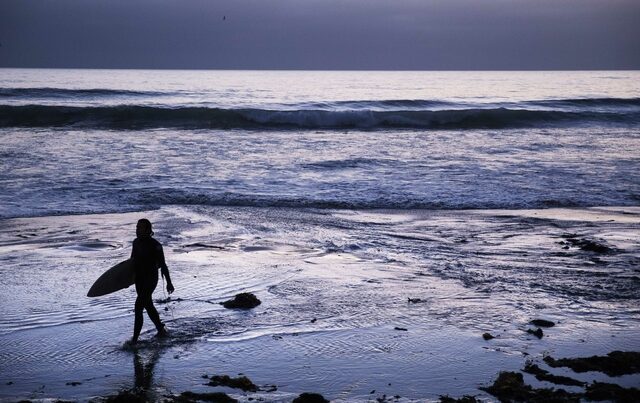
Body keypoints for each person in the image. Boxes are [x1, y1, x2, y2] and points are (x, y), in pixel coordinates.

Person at [129, 218, 174, 344]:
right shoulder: (136, 243)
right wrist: (126, 280)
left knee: (138, 306)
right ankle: (160, 329)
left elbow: (163, 265)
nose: (137, 230)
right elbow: (132, 262)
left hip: (151, 279)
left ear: (148, 230)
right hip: (139, 279)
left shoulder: (156, 245)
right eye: (137, 227)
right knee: (148, 306)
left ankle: (134, 340)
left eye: (140, 227)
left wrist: (169, 283)